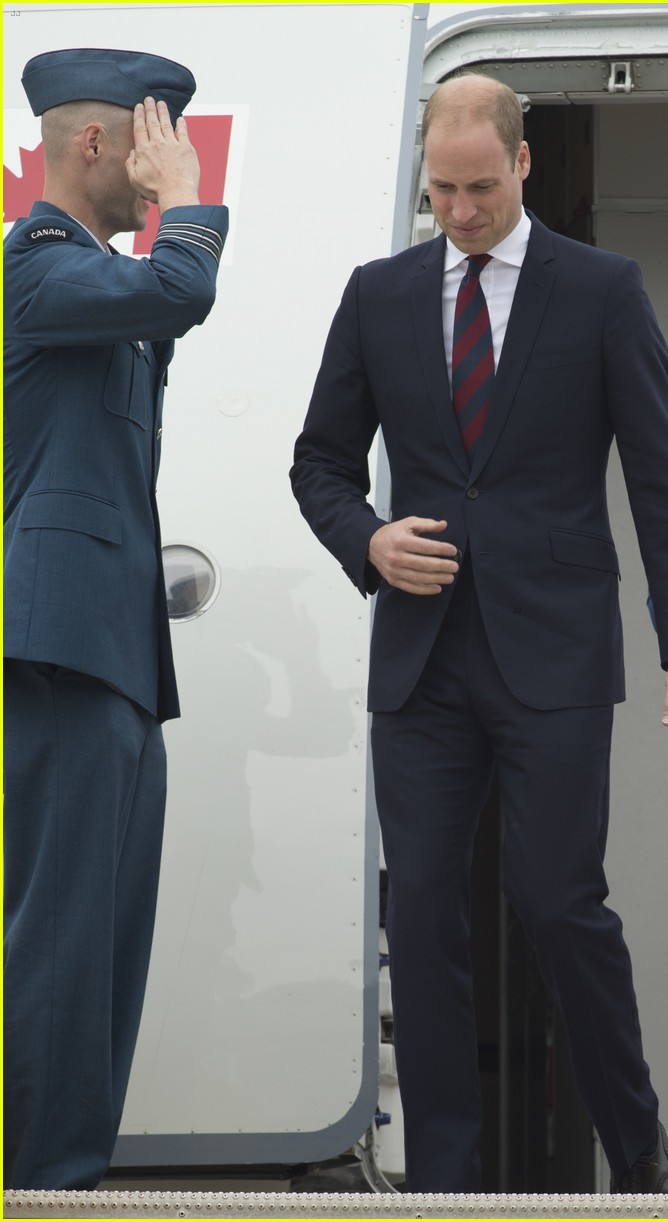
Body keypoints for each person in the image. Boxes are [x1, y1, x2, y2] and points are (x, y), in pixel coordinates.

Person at [290, 72, 668, 1193]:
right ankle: (447, 1179)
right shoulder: (378, 293)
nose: (463, 211)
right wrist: (370, 543)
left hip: (556, 650)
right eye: (442, 190)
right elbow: (320, 463)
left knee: (555, 898)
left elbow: (664, 487)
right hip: (423, 656)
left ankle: (637, 1148)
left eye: (481, 187)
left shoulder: (602, 289)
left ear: (522, 165)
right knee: (422, 902)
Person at [4, 48, 229, 1189]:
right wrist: (185, 205)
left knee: (101, 946)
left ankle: (67, 1174)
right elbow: (182, 287)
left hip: (115, 655)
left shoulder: (90, 278)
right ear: (91, 142)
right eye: (150, 139)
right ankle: (37, 1184)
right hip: (55, 647)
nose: (165, 163)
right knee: (56, 940)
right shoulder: (35, 266)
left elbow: (164, 309)